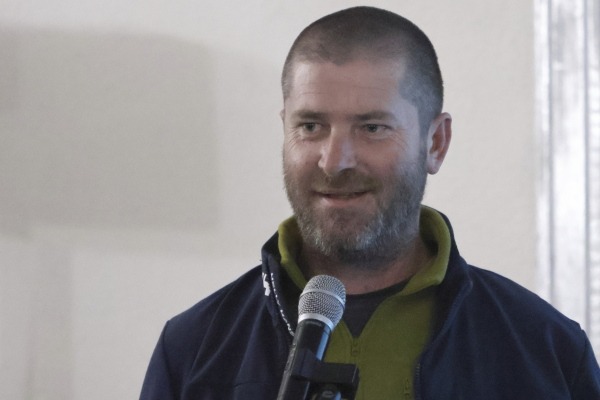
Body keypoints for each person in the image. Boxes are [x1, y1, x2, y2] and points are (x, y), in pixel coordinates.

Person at [140, 6, 600, 399]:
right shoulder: (193, 349)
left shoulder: (547, 351)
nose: (334, 161)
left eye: (372, 128)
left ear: (435, 143)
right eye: (311, 126)